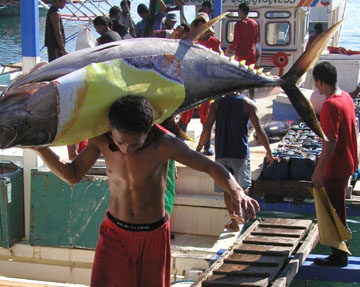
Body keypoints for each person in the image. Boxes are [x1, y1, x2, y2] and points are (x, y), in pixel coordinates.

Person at [32, 95, 259, 287]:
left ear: (149, 129)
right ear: (111, 129)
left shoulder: (165, 145)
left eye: (135, 145)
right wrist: (40, 148)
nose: (126, 150)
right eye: (121, 143)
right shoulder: (100, 140)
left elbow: (210, 166)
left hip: (154, 237)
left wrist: (237, 190)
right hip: (115, 235)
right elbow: (72, 174)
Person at [196, 93, 273, 231]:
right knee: (243, 188)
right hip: (240, 154)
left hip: (221, 152)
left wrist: (199, 147)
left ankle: (234, 222)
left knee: (227, 188)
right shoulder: (248, 104)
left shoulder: (217, 103)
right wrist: (269, 151)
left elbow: (207, 127)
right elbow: (259, 130)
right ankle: (242, 216)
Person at [311, 62, 358, 267]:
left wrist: (318, 170)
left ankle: (339, 255)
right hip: (348, 162)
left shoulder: (330, 104)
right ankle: (340, 251)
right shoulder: (346, 97)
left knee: (334, 211)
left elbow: (330, 141)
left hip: (335, 166)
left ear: (321, 82)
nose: (316, 87)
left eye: (316, 83)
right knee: (339, 208)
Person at [178, 12, 221, 156]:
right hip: (190, 83)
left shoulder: (214, 42)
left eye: (203, 24)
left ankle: (206, 146)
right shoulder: (188, 40)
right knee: (185, 114)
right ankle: (180, 145)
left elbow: (220, 59)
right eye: (199, 24)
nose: (201, 27)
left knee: (206, 116)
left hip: (206, 85)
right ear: (195, 26)